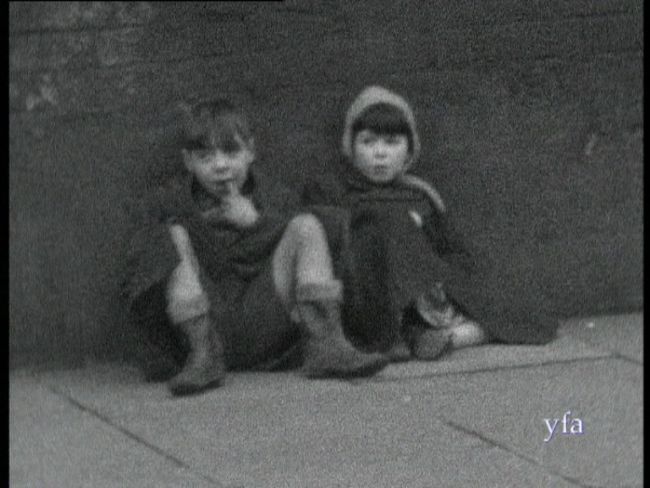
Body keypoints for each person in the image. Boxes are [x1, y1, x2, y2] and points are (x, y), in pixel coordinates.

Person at [123, 98, 387, 396]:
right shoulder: (170, 202)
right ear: (188, 162)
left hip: (267, 321)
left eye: (231, 151)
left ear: (250, 151)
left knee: (307, 225)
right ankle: (203, 353)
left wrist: (254, 222)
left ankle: (327, 344)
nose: (220, 166)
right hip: (207, 324)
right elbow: (143, 272)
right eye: (205, 157)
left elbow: (295, 256)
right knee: (169, 237)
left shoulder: (275, 196)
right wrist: (194, 228)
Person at [302, 85, 558, 361]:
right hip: (368, 300)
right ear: (350, 146)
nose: (380, 154)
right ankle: (438, 333)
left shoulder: (419, 195)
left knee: (516, 305)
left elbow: (453, 252)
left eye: (391, 142)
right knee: (383, 222)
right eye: (368, 142)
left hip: (428, 295)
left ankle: (447, 336)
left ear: (409, 148)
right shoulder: (331, 192)